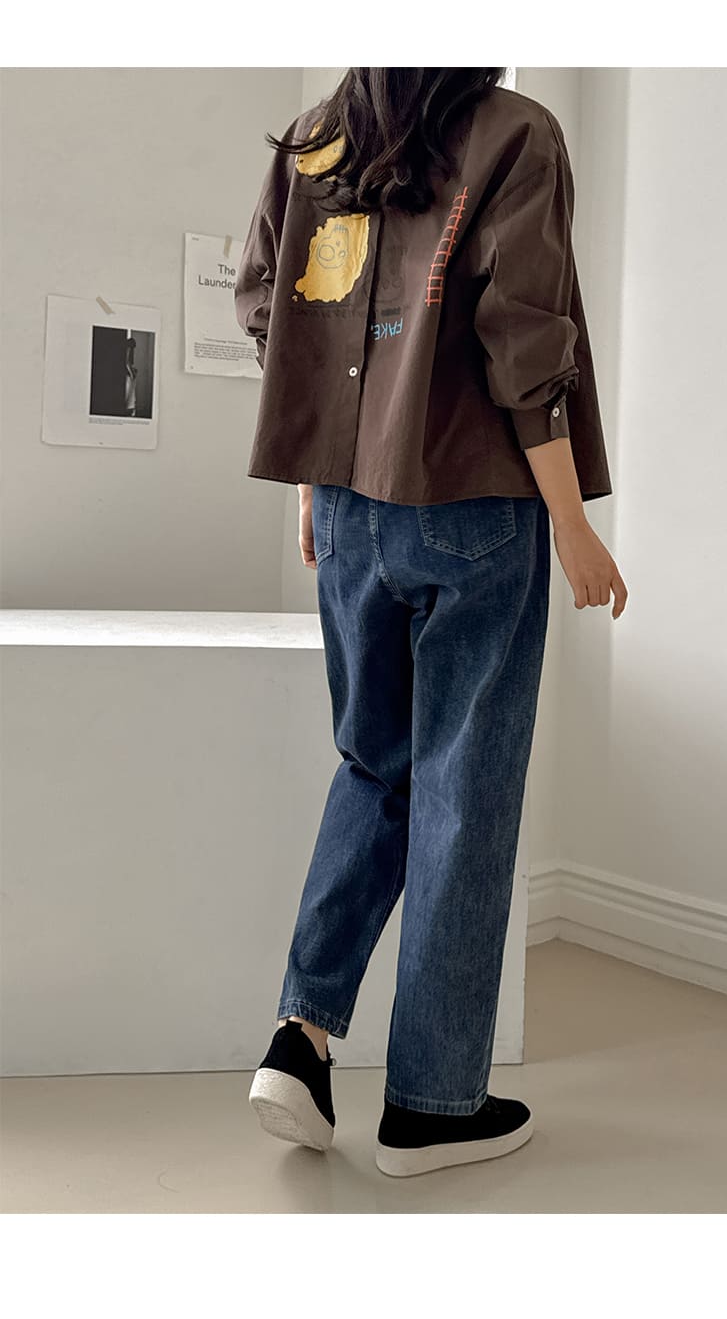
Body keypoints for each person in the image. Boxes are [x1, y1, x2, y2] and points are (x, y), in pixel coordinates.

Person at [235, 67, 627, 1178]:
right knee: (464, 792)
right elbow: (522, 336)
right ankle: (433, 1105)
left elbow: (274, 311)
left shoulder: (318, 137)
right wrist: (571, 523)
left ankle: (299, 1037)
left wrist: (314, 483)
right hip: (474, 505)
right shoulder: (512, 131)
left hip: (346, 504)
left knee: (373, 766)